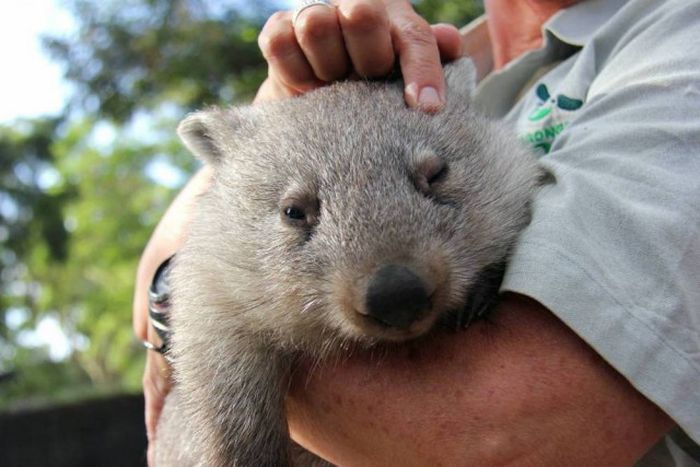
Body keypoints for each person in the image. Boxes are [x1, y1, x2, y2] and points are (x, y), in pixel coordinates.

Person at [133, 0, 700, 464]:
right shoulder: (440, 53)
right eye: (296, 216)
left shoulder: (676, 40)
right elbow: (196, 257)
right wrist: (273, 111)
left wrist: (175, 297)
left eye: (433, 181)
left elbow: (501, 441)